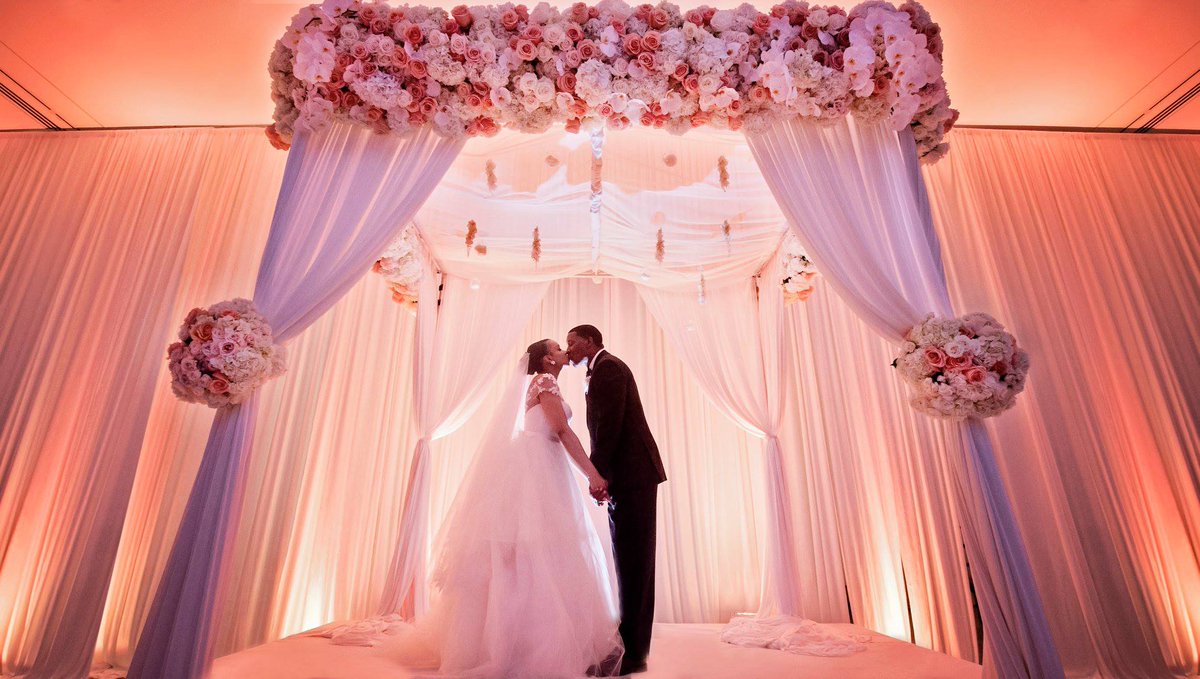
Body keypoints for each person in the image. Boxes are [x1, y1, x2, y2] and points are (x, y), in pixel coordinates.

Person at [320, 340, 623, 678]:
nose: (565, 350)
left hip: (542, 467)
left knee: (527, 558)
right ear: (547, 358)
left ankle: (509, 640)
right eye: (558, 346)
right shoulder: (545, 381)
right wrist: (593, 474)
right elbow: (561, 429)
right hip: (540, 470)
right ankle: (528, 647)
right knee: (535, 555)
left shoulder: (540, 384)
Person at [566, 325, 666, 676]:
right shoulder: (602, 367)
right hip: (629, 476)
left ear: (590, 341)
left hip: (633, 476)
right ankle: (633, 646)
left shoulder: (608, 368)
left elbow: (609, 425)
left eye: (573, 342)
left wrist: (598, 477)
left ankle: (634, 653)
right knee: (629, 559)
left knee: (635, 561)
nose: (570, 349)